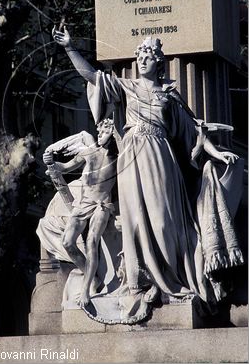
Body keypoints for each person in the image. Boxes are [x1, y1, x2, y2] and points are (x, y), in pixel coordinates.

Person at [52, 25, 244, 322]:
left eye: (149, 55)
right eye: (140, 55)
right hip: (131, 155)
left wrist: (218, 154)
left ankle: (171, 276)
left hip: (160, 156)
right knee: (136, 221)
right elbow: (91, 76)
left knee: (164, 220)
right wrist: (69, 47)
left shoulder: (169, 94)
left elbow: (195, 131)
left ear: (159, 62)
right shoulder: (125, 87)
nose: (142, 59)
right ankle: (142, 281)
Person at [42, 119, 117, 307]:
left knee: (92, 241)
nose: (100, 134)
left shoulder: (118, 158)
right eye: (99, 131)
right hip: (83, 204)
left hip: (102, 205)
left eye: (105, 131)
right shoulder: (89, 152)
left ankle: (87, 290)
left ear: (113, 134)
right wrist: (51, 163)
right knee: (67, 242)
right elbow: (65, 167)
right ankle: (91, 277)